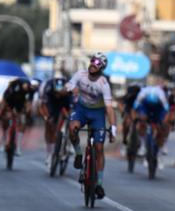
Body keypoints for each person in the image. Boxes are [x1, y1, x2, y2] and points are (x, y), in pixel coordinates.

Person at [66, 53, 117, 199]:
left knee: (99, 148)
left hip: (97, 114)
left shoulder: (103, 84)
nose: (94, 64)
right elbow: (68, 84)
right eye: (93, 60)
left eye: (98, 63)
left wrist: (113, 128)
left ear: (102, 68)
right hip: (81, 109)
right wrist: (72, 89)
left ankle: (99, 183)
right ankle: (78, 153)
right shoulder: (80, 74)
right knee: (72, 129)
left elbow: (109, 108)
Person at [39, 77, 72, 165]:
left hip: (65, 102)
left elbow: (73, 106)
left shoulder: (69, 90)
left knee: (71, 119)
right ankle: (50, 153)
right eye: (57, 93)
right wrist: (47, 117)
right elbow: (42, 106)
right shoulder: (48, 90)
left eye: (60, 93)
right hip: (52, 103)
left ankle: (69, 142)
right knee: (50, 125)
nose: (58, 94)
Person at [132, 85, 170, 158]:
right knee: (142, 120)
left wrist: (164, 121)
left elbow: (166, 109)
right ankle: (142, 144)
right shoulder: (142, 94)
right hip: (145, 106)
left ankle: (163, 143)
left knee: (164, 124)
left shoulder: (161, 95)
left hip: (158, 108)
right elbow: (135, 106)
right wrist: (136, 118)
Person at [0, 78, 31, 155]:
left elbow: (28, 102)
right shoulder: (13, 88)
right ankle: (4, 141)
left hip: (20, 104)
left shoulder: (29, 90)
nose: (26, 88)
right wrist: (7, 111)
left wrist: (26, 112)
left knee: (22, 122)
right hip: (9, 102)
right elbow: (5, 101)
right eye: (25, 87)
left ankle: (18, 146)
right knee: (6, 119)